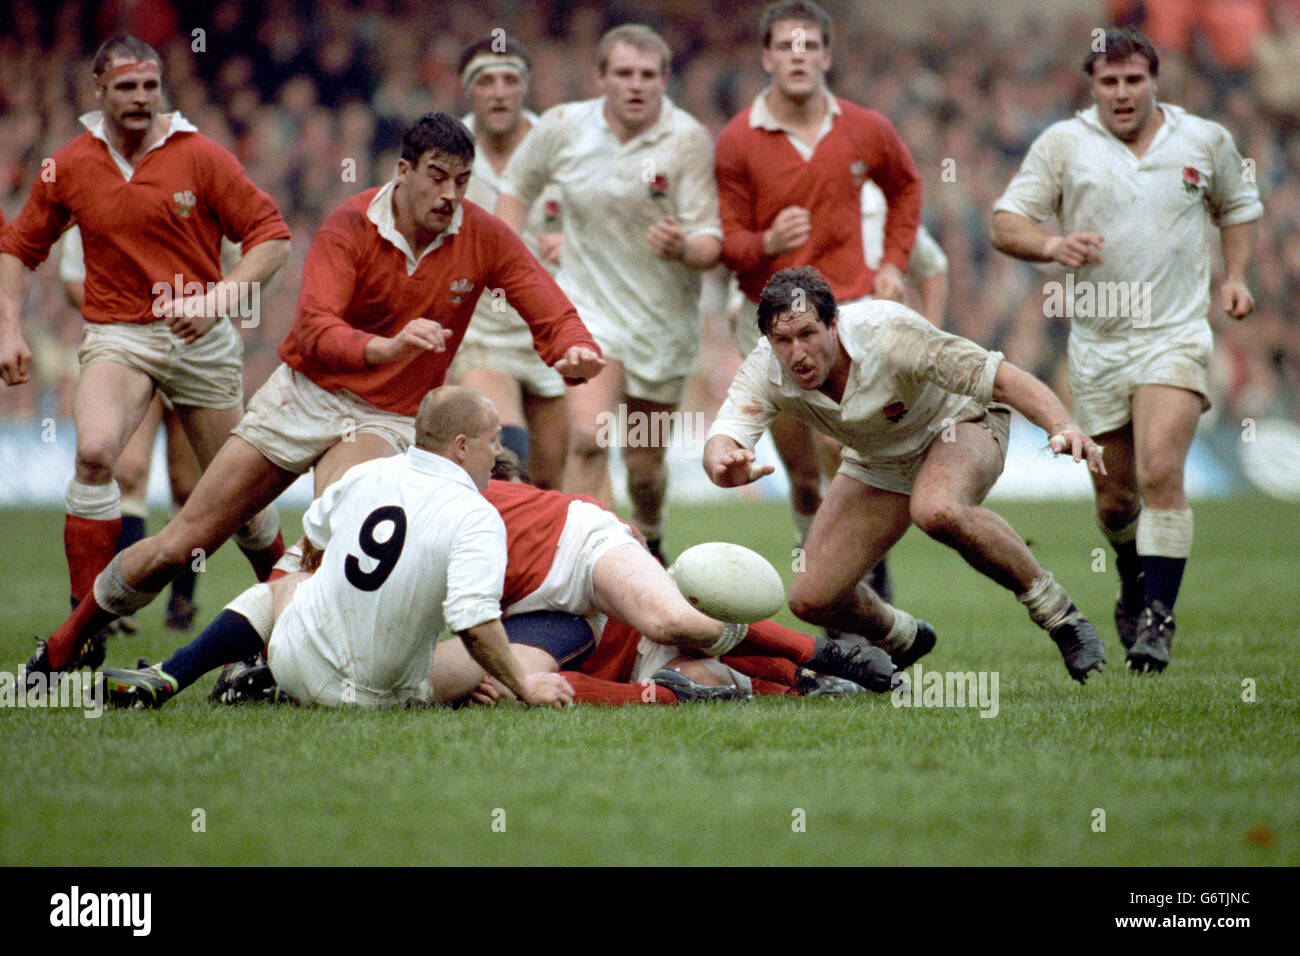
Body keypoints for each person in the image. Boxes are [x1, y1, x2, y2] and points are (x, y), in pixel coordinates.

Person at [25, 111, 604, 684]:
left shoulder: (481, 233)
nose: (450, 194)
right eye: (437, 176)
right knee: (180, 543)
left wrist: (571, 346)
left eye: (462, 181)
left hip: (385, 419)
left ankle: (253, 672)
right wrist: (386, 348)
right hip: (304, 395)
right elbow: (313, 330)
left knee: (333, 559)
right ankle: (62, 648)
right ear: (404, 171)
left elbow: (543, 298)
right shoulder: (350, 224)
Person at [0, 35, 290, 671]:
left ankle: (290, 622)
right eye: (126, 86)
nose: (139, 98)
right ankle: (86, 627)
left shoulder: (203, 157)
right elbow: (18, 247)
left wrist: (218, 301)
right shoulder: (69, 164)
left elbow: (271, 238)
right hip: (120, 335)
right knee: (98, 452)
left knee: (239, 502)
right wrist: (9, 329)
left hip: (203, 341)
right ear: (98, 89)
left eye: (149, 86)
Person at [989, 28, 1262, 673]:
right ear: (1093, 86)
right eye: (1108, 81)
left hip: (1175, 334)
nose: (1121, 92)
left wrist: (1237, 276)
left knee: (1161, 470)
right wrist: (1052, 246)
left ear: (1154, 79)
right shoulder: (1064, 145)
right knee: (1115, 500)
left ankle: (1158, 622)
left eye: (1133, 79)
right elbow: (1007, 223)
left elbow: (1239, 207)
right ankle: (1131, 575)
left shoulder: (1204, 140)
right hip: (1098, 346)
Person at [703, 266, 1109, 684]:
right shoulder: (764, 369)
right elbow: (725, 433)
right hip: (879, 458)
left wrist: (1060, 425)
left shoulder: (889, 333)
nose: (796, 353)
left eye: (807, 334)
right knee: (811, 600)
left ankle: (1061, 616)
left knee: (936, 509)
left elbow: (1001, 379)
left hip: (961, 422)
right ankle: (903, 636)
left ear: (833, 324)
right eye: (783, 341)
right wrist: (721, 465)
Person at [100, 387, 574, 709]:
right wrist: (524, 684)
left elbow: (314, 543)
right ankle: (264, 681)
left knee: (285, 588)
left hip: (298, 661)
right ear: (461, 446)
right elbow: (473, 621)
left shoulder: (367, 475)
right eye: (493, 442)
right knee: (482, 649)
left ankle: (179, 670)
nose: (500, 453)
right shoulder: (477, 515)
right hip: (382, 695)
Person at [714, 0, 923, 592]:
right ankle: (832, 590)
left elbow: (906, 189)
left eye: (809, 46)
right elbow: (728, 243)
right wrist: (765, 241)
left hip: (846, 311)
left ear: (826, 56)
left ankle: (865, 588)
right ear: (767, 57)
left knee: (843, 450)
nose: (797, 57)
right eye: (786, 46)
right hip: (769, 324)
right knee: (804, 477)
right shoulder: (737, 139)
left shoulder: (866, 127)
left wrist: (893, 264)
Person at [496, 23, 722, 562]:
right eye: (623, 73)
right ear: (600, 77)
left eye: (648, 75)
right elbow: (514, 191)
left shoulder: (686, 139)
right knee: (590, 438)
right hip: (588, 316)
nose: (636, 85)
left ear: (665, 79)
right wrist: (516, 257)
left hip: (661, 328)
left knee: (644, 469)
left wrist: (682, 247)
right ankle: (573, 570)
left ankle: (652, 529)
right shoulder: (563, 127)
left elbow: (712, 241)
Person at [429, 451, 895, 704]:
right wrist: (502, 678)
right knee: (701, 677)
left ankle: (818, 665)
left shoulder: (563, 539)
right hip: (639, 666)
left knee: (687, 629)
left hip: (645, 634)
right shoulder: (513, 605)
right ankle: (807, 681)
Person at [60, 225, 204, 635]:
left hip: (196, 351)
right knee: (129, 472)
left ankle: (182, 602)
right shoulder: (99, 192)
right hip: (134, 347)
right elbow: (73, 279)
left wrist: (212, 312)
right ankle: (121, 605)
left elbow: (236, 266)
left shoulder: (198, 187)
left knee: (188, 487)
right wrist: (120, 313)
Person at [447, 34, 571, 488]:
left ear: (525, 86)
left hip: (554, 332)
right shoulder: (444, 156)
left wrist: (575, 244)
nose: (498, 90)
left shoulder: (563, 149)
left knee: (549, 481)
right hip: (480, 333)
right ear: (467, 89)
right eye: (485, 80)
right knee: (503, 466)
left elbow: (608, 223)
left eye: (508, 79)